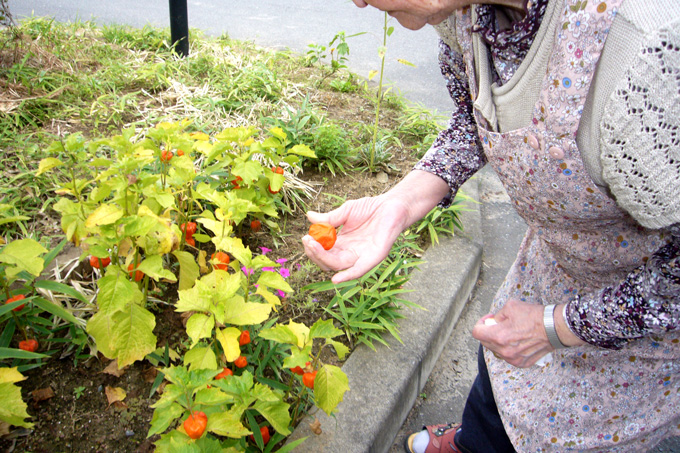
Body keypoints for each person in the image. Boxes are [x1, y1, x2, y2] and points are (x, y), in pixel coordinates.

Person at [302, 0, 680, 451]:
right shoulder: (464, 17)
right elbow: (476, 120)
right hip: (549, 272)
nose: (358, 1)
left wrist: (556, 327)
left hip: (647, 338)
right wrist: (399, 204)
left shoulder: (646, 51)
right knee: (501, 378)